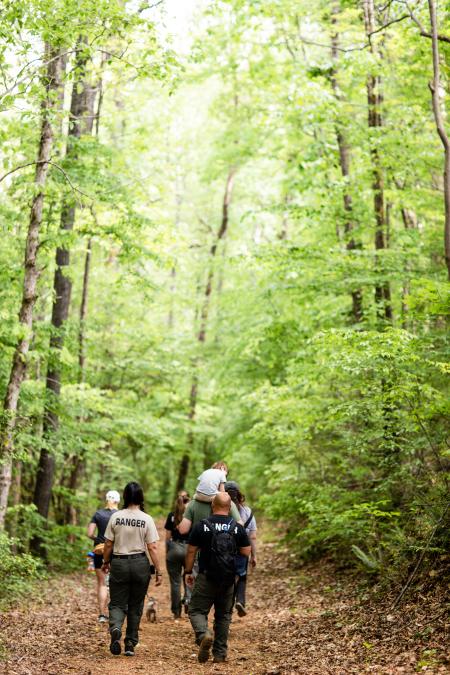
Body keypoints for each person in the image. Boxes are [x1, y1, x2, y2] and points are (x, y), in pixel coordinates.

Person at [185, 492, 250, 664]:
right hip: (228, 579)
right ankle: (220, 654)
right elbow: (246, 551)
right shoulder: (237, 527)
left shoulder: (202, 526)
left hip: (206, 577)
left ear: (212, 506)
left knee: (196, 610)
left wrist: (188, 572)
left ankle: (203, 634)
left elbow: (191, 550)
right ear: (230, 508)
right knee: (223, 616)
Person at [102, 481, 163, 657]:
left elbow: (108, 543)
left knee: (117, 602)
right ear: (141, 497)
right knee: (136, 605)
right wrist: (158, 570)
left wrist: (106, 562)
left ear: (126, 496)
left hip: (119, 563)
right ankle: (130, 643)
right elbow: (152, 547)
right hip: (140, 564)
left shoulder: (116, 517)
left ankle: (115, 626)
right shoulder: (146, 518)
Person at [225, 480, 257, 617]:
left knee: (226, 580)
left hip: (223, 551)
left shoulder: (220, 509)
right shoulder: (247, 511)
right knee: (241, 576)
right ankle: (241, 601)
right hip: (242, 551)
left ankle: (226, 612)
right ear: (239, 494)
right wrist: (253, 555)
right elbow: (252, 536)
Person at [87, 489, 120, 622]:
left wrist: (98, 539)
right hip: (116, 551)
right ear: (118, 501)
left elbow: (89, 533)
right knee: (117, 583)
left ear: (106, 499)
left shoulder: (98, 514)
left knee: (101, 583)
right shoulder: (120, 515)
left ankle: (102, 614)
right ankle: (116, 614)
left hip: (100, 550)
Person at [165, 490, 191, 618]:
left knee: (175, 582)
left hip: (174, 548)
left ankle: (176, 611)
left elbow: (167, 537)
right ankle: (188, 600)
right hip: (189, 549)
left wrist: (167, 552)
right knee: (189, 578)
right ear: (189, 500)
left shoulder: (172, 515)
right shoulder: (191, 514)